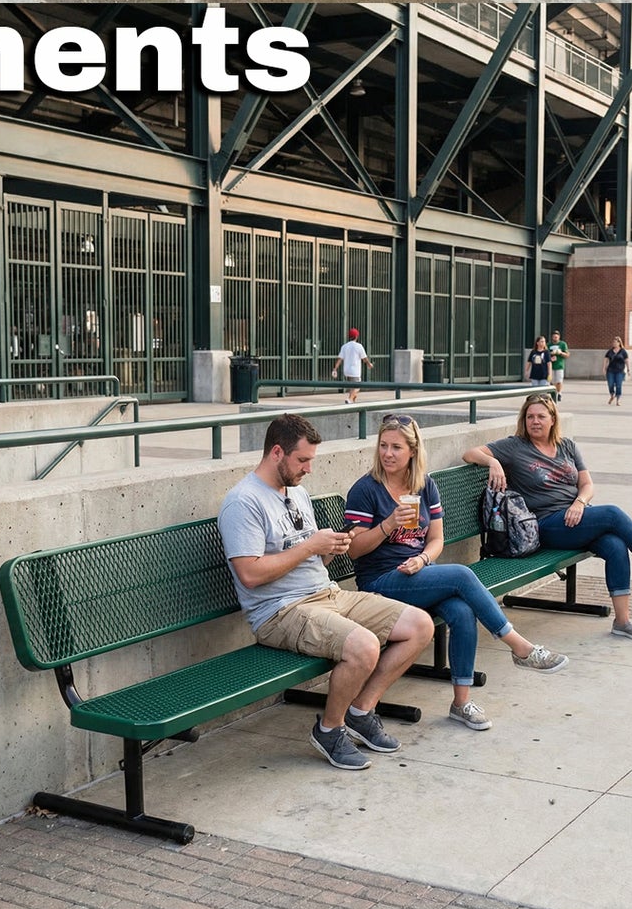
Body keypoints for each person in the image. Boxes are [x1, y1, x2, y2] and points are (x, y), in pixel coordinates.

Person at [218, 412, 434, 772]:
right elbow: (250, 575)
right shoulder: (244, 502)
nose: (308, 469)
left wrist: (330, 548)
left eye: (311, 461)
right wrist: (309, 547)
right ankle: (330, 730)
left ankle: (361, 711)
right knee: (364, 645)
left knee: (420, 625)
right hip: (280, 611)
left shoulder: (297, 492)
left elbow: (309, 555)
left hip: (326, 594)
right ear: (276, 452)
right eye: (302, 460)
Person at [345, 413, 566, 730]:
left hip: (418, 574)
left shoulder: (424, 485)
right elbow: (354, 550)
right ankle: (519, 646)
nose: (388, 454)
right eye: (383, 446)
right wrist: (388, 525)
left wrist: (422, 560)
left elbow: (436, 540)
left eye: (396, 447)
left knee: (462, 610)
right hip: (380, 581)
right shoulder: (366, 490)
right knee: (462, 576)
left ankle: (461, 703)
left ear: (412, 451)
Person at [464, 393, 632, 642]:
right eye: (530, 416)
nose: (535, 421)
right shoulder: (514, 446)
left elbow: (587, 484)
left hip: (576, 518)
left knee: (614, 544)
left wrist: (579, 503)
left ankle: (622, 621)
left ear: (553, 419)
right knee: (611, 513)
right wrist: (493, 462)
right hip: (545, 525)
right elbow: (470, 453)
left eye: (541, 416)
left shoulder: (567, 446)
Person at [337, 324, 371, 403]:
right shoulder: (359, 346)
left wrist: (335, 368)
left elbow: (340, 359)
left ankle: (353, 401)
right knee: (357, 387)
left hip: (347, 371)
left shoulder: (344, 346)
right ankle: (349, 399)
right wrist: (369, 364)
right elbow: (364, 358)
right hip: (355, 370)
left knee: (352, 387)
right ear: (356, 336)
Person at [604, 336, 628, 405]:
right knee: (610, 384)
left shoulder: (623, 351)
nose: (614, 343)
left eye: (615, 342)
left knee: (618, 385)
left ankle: (618, 400)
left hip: (620, 371)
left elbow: (626, 360)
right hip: (610, 370)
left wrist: (628, 369)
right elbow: (606, 359)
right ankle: (612, 395)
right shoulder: (610, 351)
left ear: (619, 343)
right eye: (613, 342)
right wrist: (604, 368)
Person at [549, 329, 569, 402]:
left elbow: (567, 355)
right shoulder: (549, 345)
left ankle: (559, 393)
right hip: (551, 366)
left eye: (556, 337)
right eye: (554, 337)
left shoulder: (563, 344)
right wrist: (551, 356)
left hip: (559, 365)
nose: (555, 338)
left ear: (559, 337)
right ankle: (553, 393)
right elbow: (546, 354)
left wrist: (560, 353)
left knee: (559, 381)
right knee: (552, 381)